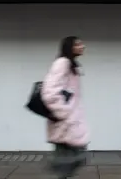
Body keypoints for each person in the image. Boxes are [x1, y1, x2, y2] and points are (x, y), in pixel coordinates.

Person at [41, 36, 89, 179]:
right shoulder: (62, 63)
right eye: (78, 44)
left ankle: (55, 169)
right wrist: (64, 112)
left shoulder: (70, 64)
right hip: (63, 120)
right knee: (67, 161)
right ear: (70, 47)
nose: (83, 46)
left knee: (72, 159)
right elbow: (49, 92)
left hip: (69, 121)